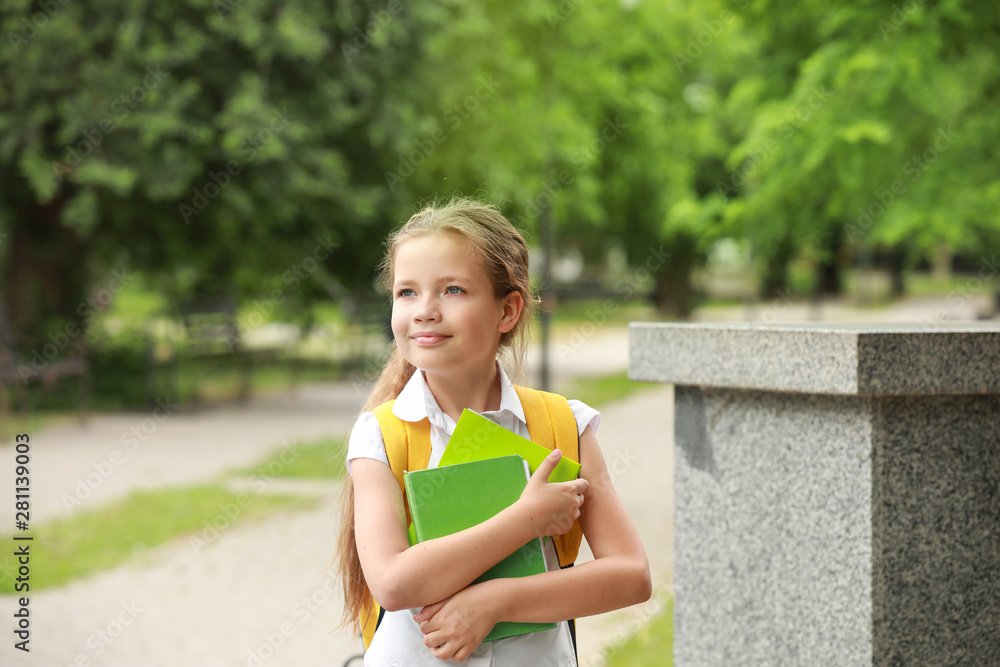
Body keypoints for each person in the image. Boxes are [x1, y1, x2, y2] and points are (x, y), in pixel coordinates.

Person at [336, 198, 651, 665]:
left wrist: (496, 601)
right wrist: (527, 520)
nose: (424, 310)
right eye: (406, 292)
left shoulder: (564, 425)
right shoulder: (380, 436)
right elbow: (394, 582)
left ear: (508, 312)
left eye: (453, 290)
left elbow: (632, 575)